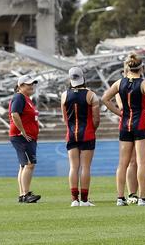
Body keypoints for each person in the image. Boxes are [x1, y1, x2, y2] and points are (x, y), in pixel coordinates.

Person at [102, 53, 145, 206]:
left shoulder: (119, 82)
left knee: (123, 163)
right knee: (142, 163)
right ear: (141, 67)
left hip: (125, 124)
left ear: (128, 67)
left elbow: (105, 99)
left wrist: (118, 112)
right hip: (141, 123)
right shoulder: (143, 83)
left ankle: (120, 198)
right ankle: (142, 198)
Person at [61, 67, 100, 206]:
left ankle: (74, 199)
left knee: (73, 167)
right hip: (87, 134)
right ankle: (84, 199)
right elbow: (96, 119)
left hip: (71, 134)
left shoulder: (64, 95)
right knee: (85, 167)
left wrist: (71, 129)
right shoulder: (91, 95)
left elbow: (65, 118)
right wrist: (92, 129)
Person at [9, 74, 41, 204]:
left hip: (26, 136)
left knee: (24, 165)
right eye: (28, 84)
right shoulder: (19, 97)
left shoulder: (26, 98)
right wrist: (23, 131)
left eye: (32, 84)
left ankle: (23, 194)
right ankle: (25, 194)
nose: (31, 86)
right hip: (22, 136)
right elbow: (14, 114)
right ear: (20, 86)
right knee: (29, 164)